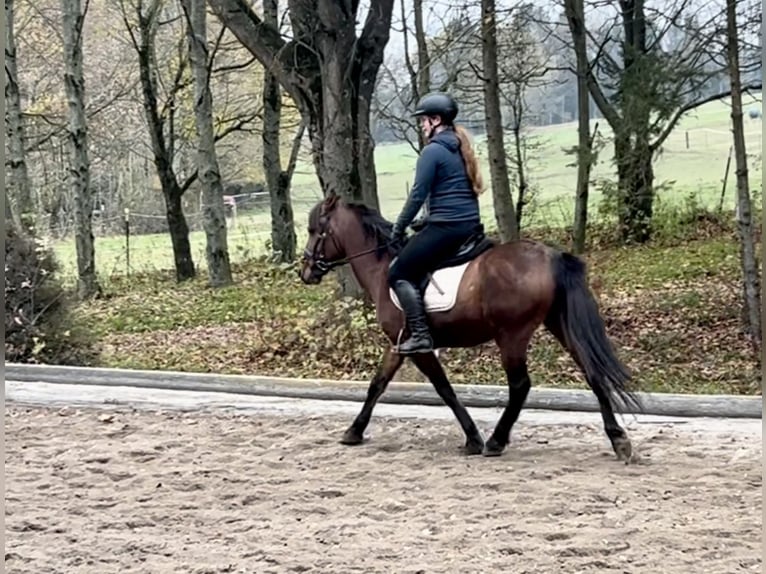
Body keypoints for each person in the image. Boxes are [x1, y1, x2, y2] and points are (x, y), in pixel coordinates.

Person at [388, 91, 485, 354]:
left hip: (448, 228)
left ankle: (420, 335)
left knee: (398, 273)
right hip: (469, 225)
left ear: (436, 120)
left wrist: (398, 228)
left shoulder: (432, 151)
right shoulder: (459, 145)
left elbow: (417, 194)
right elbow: (451, 193)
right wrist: (426, 220)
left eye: (423, 121)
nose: (421, 126)